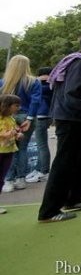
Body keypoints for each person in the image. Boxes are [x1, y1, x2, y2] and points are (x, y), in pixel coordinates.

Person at [38, 33, 81, 222]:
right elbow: (74, 92)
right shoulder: (79, 63)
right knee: (65, 161)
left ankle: (73, 198)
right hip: (71, 118)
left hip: (76, 118)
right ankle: (49, 211)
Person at [0, 54, 41, 193]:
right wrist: (30, 118)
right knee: (22, 149)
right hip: (26, 116)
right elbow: (36, 101)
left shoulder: (3, 82)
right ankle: (21, 179)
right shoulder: (33, 82)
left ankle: (8, 180)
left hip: (7, 117)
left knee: (9, 149)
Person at [24, 67, 53, 183]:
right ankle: (39, 169)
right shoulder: (50, 85)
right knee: (41, 144)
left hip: (42, 116)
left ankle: (44, 171)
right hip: (46, 115)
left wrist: (38, 80)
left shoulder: (45, 86)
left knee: (42, 145)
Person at [0, 94, 24, 214]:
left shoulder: (11, 119)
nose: (18, 108)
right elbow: (4, 133)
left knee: (1, 179)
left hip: (8, 151)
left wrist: (18, 135)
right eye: (16, 105)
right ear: (7, 106)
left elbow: (14, 131)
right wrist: (7, 134)